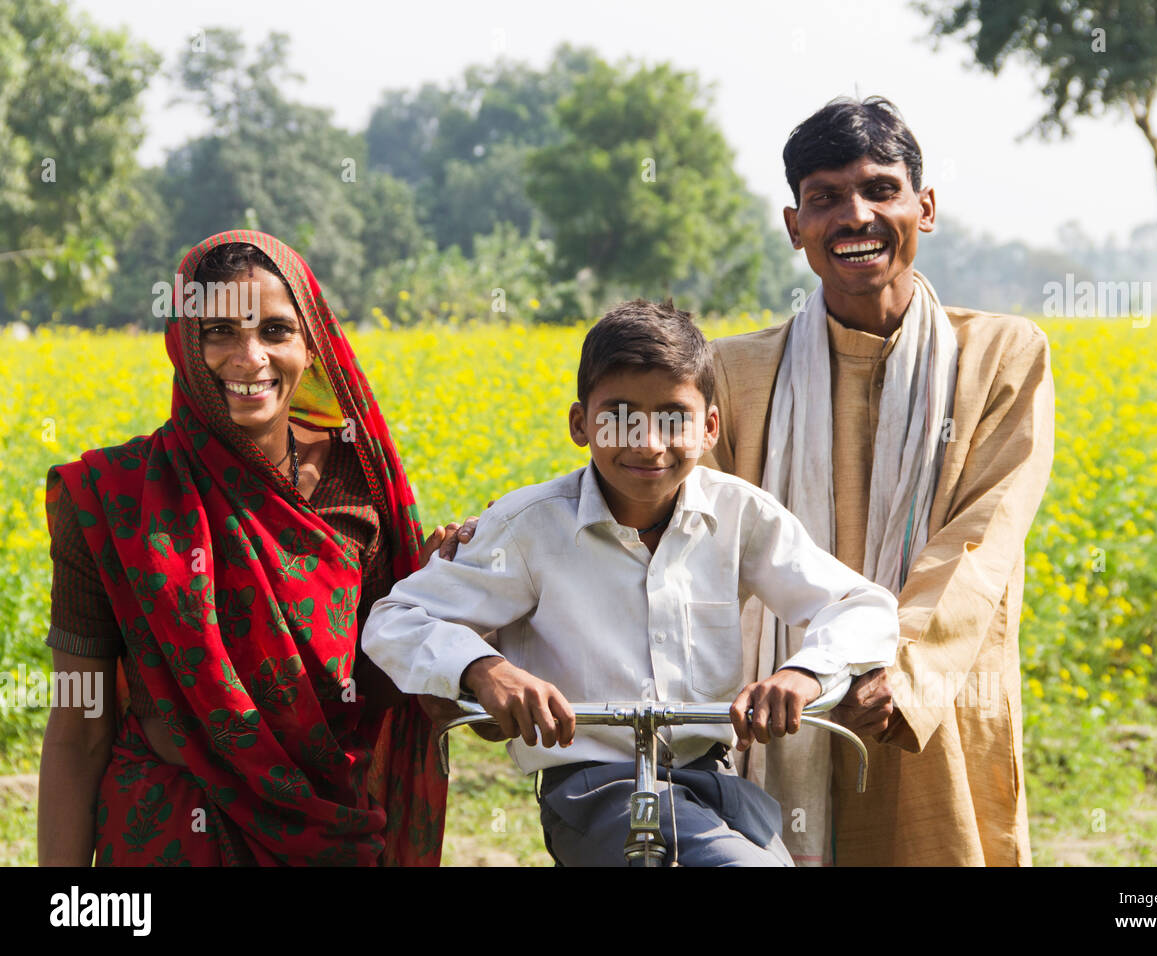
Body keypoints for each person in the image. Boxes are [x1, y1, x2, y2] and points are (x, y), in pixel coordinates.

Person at [361, 300, 899, 866]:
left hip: (713, 782)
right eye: (619, 415)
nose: (647, 443)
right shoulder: (528, 527)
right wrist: (484, 669)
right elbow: (396, 619)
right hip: (591, 789)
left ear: (709, 426)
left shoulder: (740, 515)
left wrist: (803, 673)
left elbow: (863, 605)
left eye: (673, 417)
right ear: (579, 423)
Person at [704, 96, 1056, 865]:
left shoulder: (1003, 355)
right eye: (825, 198)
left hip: (931, 697)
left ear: (924, 208)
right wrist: (502, 536)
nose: (854, 216)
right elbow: (674, 513)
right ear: (795, 225)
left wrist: (904, 668)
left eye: (879, 190)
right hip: (776, 704)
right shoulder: (733, 374)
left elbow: (983, 538)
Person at [38, 230, 449, 866]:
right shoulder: (108, 498)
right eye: (218, 331)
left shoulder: (357, 493)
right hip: (166, 827)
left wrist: (438, 589)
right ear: (182, 341)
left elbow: (373, 691)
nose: (248, 357)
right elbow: (77, 724)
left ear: (312, 344)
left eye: (276, 331)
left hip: (320, 824)